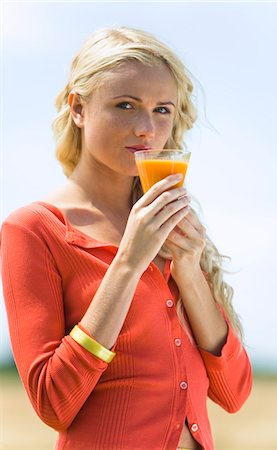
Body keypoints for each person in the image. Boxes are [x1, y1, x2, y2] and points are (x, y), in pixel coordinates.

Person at [0, 26, 252, 450]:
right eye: (125, 105)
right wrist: (129, 262)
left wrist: (188, 269)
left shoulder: (173, 222)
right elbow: (52, 404)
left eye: (162, 110)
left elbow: (234, 393)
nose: (147, 129)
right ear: (78, 108)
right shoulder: (33, 230)